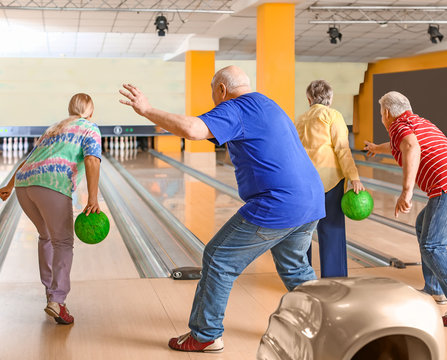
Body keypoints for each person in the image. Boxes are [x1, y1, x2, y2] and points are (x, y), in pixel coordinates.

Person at [119, 65, 325, 352]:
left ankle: (205, 334)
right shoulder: (268, 104)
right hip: (311, 200)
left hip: (278, 203)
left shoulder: (236, 108)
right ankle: (326, 324)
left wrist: (147, 110)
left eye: (213, 93)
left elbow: (192, 129)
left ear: (221, 90)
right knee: (295, 267)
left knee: (218, 257)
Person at [364, 91, 447, 327]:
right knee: (423, 226)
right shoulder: (418, 122)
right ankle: (434, 289)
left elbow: (409, 145)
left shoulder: (398, 125)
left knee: (432, 246)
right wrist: (378, 148)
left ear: (387, 113)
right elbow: (402, 143)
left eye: (381, 114)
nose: (382, 118)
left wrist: (406, 192)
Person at [0, 93, 102, 325]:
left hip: (25, 185)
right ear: (91, 112)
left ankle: (51, 293)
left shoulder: (54, 128)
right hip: (52, 185)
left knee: (46, 236)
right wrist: (93, 198)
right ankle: (57, 301)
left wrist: (9, 185)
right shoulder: (89, 127)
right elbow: (92, 160)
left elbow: (30, 159)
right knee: (63, 242)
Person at [295, 80, 364, 278]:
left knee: (302, 233)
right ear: (330, 99)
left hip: (303, 183)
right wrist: (354, 177)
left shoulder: (300, 119)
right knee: (331, 230)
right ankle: (334, 279)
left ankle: (301, 278)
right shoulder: (332, 115)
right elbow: (342, 149)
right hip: (329, 181)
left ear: (309, 99)